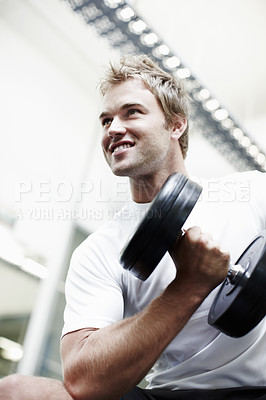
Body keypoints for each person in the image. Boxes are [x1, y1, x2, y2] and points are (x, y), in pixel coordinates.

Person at [1, 54, 266, 400]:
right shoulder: (98, 251)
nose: (113, 128)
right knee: (17, 391)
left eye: (132, 112)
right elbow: (83, 381)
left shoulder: (251, 193)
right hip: (170, 393)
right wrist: (189, 285)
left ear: (176, 125)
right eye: (106, 120)